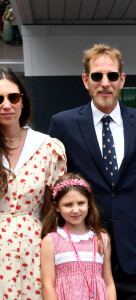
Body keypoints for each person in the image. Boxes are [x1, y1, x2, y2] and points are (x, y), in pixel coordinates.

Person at [48, 43, 136, 299]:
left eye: (112, 76)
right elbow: (56, 185)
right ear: (86, 80)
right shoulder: (63, 124)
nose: (105, 82)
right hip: (85, 246)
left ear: (122, 80)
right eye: (97, 76)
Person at [0, 67, 66, 299]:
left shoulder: (47, 147)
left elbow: (54, 208)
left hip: (35, 248)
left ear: (23, 101)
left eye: (13, 97)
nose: (6, 104)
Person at [40, 173, 116, 300]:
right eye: (68, 205)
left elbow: (109, 283)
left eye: (81, 203)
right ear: (57, 207)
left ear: (89, 204)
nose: (75, 210)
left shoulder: (102, 239)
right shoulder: (51, 241)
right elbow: (48, 286)